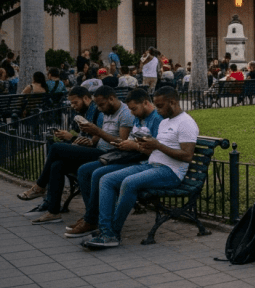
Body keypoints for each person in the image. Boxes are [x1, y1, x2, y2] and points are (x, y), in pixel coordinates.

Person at [83, 87, 197, 248]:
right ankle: (105, 230)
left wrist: (157, 145)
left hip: (170, 171)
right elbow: (155, 149)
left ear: (172, 102)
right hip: (151, 164)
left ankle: (111, 234)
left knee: (129, 183)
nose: (157, 109)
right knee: (107, 179)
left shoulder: (186, 123)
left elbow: (187, 156)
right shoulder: (165, 122)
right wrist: (143, 146)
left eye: (160, 106)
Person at [63, 88, 164, 237]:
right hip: (126, 155)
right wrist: (125, 143)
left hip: (140, 161)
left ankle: (95, 221)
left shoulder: (157, 120)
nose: (132, 113)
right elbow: (127, 141)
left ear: (146, 103)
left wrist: (133, 145)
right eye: (131, 109)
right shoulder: (138, 118)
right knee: (85, 170)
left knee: (100, 175)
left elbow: (156, 150)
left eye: (134, 109)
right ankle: (92, 218)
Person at [18, 87, 101, 212]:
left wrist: (71, 138)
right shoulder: (86, 112)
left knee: (56, 148)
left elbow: (94, 142)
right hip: (87, 152)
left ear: (85, 98)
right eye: (71, 103)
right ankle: (53, 210)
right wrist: (69, 136)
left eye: (75, 102)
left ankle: (40, 186)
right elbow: (84, 138)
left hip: (96, 154)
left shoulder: (97, 113)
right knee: (57, 165)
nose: (73, 106)